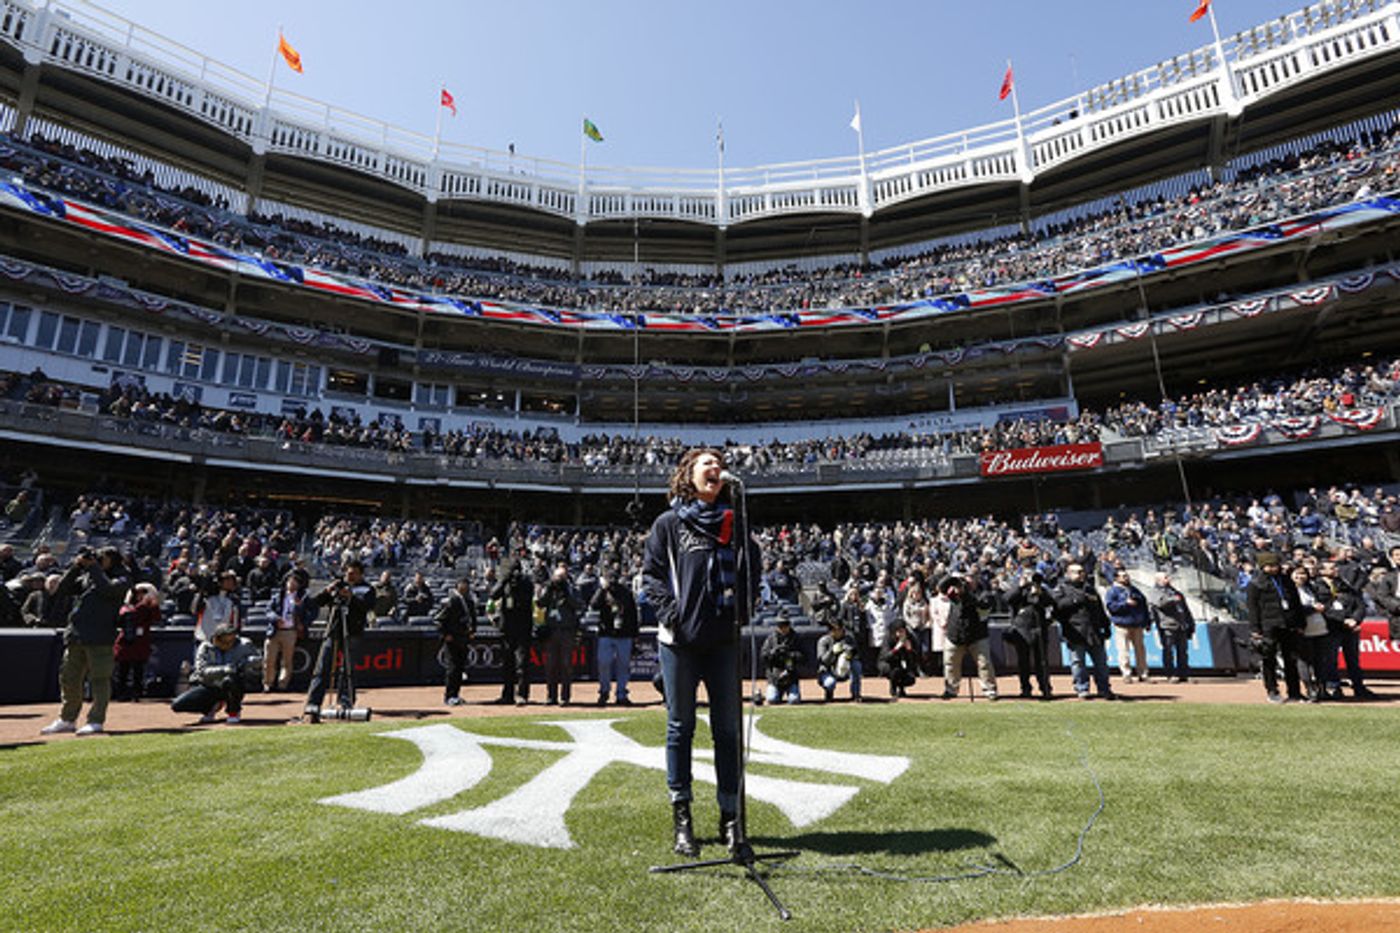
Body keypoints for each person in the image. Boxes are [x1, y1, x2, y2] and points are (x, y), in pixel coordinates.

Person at [642, 448, 758, 859]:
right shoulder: (668, 523)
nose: (715, 468)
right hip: (680, 642)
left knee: (727, 730)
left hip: (723, 641)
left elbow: (752, 571)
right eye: (705, 463)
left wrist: (743, 612)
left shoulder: (734, 522)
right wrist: (673, 615)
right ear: (687, 475)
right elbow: (651, 576)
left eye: (718, 463)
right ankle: (682, 819)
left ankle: (731, 818)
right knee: (681, 726)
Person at [41, 547, 129, 736]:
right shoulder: (89, 576)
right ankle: (67, 719)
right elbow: (62, 589)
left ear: (113, 560)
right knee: (69, 678)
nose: (97, 560)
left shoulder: (122, 577)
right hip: (77, 635)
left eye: (101, 558)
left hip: (100, 637)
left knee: (99, 679)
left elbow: (108, 590)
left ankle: (96, 720)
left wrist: (94, 568)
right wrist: (76, 567)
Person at [302, 559, 373, 723]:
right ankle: (312, 705)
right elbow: (315, 603)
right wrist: (327, 591)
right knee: (322, 667)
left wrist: (352, 597)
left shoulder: (367, 589)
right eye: (348, 572)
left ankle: (345, 702)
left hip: (353, 632)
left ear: (360, 574)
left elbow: (367, 607)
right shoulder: (337, 586)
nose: (350, 576)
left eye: (354, 573)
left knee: (347, 670)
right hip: (333, 630)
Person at [171, 622, 260, 724]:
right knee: (177, 705)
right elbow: (202, 671)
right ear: (217, 638)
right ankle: (211, 707)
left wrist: (246, 663)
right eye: (225, 640)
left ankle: (233, 711)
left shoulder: (244, 644)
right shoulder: (206, 647)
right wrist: (224, 669)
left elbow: (258, 661)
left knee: (230, 680)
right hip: (210, 685)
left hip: (234, 684)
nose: (229, 644)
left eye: (232, 639)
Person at [1246, 552, 1304, 704]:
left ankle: (1295, 692)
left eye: (1275, 565)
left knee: (1291, 659)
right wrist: (1255, 629)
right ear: (1262, 566)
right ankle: (1272, 690)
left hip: (1288, 624)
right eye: (1269, 566)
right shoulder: (1255, 584)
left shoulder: (1286, 581)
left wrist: (1300, 623)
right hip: (1268, 625)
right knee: (1268, 659)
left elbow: (1296, 603)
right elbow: (1253, 608)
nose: (1273, 568)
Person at [1053, 563, 1116, 701]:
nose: (1082, 574)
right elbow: (1057, 607)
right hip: (1075, 631)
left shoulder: (1090, 589)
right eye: (1078, 572)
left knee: (1101, 663)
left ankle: (1104, 689)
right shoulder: (1062, 589)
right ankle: (1082, 689)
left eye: (1082, 571)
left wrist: (1106, 627)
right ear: (1069, 573)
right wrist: (1076, 600)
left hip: (1094, 632)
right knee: (1078, 662)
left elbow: (1100, 609)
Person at [1318, 561, 1374, 700]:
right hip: (1331, 628)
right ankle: (1334, 687)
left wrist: (1355, 619)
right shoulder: (1317, 587)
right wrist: (1343, 620)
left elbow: (1359, 604)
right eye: (1331, 568)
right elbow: (1324, 609)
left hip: (1350, 629)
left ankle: (1359, 687)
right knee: (1331, 660)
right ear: (1321, 571)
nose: (1335, 570)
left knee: (1353, 659)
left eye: (1335, 567)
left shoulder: (1344, 584)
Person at [935, 575, 997, 701]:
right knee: (950, 664)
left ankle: (989, 689)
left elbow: (983, 605)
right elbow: (941, 587)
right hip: (955, 635)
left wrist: (965, 593)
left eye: (969, 581)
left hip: (977, 635)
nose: (965, 584)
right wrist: (952, 579)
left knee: (984, 663)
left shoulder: (983, 593)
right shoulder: (954, 594)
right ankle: (951, 689)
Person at [591, 565, 639, 706]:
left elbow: (633, 614)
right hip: (606, 633)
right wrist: (602, 589)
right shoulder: (603, 592)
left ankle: (621, 693)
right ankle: (604, 691)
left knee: (623, 666)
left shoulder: (625, 592)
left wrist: (635, 635)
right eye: (609, 579)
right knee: (604, 663)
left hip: (624, 634)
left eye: (614, 579)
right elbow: (593, 605)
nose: (612, 582)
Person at [490, 558, 534, 706]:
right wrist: (503, 580)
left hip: (522, 628)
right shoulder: (505, 583)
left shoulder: (526, 582)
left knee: (521, 664)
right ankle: (507, 695)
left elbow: (526, 599)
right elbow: (493, 595)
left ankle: (522, 694)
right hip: (507, 629)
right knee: (507, 664)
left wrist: (517, 582)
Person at [1004, 569, 1053, 699]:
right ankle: (1025, 688)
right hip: (1022, 630)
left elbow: (1051, 602)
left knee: (1042, 661)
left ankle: (1045, 688)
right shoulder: (1019, 590)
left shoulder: (1041, 590)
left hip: (1039, 629)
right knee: (1023, 662)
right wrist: (1020, 587)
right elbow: (1007, 599)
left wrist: (1040, 593)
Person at [535, 562, 580, 705]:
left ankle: (565, 697)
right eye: (557, 577)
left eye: (562, 577)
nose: (559, 581)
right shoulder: (550, 589)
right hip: (551, 631)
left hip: (566, 631)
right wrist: (548, 589)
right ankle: (551, 696)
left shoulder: (572, 589)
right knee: (550, 665)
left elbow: (579, 605)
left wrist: (567, 594)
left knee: (566, 665)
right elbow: (540, 603)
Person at [112, 582, 160, 701]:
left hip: (140, 644)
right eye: (138, 593)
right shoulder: (127, 608)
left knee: (138, 671)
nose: (141, 596)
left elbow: (157, 618)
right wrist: (143, 604)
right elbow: (130, 615)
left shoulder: (150, 608)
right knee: (123, 670)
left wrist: (153, 604)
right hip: (126, 643)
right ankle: (121, 694)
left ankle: (137, 694)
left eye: (144, 593)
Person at [435, 576, 478, 706]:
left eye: (466, 585)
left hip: (463, 639)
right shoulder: (451, 601)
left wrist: (473, 631)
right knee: (452, 668)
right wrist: (445, 634)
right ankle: (449, 696)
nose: (465, 587)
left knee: (460, 668)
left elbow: (473, 618)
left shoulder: (469, 601)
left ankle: (456, 694)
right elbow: (438, 620)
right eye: (462, 585)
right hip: (452, 639)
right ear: (457, 586)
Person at [263, 573, 309, 692]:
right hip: (274, 630)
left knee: (287, 660)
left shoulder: (303, 597)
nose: (292, 583)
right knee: (269, 659)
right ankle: (268, 683)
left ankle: (282, 684)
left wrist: (302, 623)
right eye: (290, 581)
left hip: (290, 631)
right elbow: (268, 610)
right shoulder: (278, 596)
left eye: (295, 582)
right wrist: (275, 619)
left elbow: (310, 612)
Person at [1104, 569, 1151, 683]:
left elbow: (1144, 606)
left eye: (1127, 576)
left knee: (1140, 650)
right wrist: (1125, 604)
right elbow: (1111, 607)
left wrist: (1147, 621)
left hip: (1137, 624)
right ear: (1116, 578)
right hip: (1122, 624)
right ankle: (1126, 674)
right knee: (1123, 650)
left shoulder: (1135, 590)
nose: (1126, 578)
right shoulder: (1112, 591)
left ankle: (1143, 673)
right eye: (1123, 576)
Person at [1149, 573, 1195, 684]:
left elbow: (1186, 609)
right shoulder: (1155, 592)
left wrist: (1191, 623)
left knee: (1183, 651)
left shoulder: (1176, 592)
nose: (1168, 579)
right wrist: (1172, 599)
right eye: (1165, 578)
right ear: (1158, 580)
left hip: (1181, 625)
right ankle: (1170, 674)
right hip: (1167, 625)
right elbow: (1159, 603)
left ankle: (1183, 674)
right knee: (1168, 651)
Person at [816, 617, 863, 702]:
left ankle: (856, 694)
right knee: (830, 683)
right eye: (834, 630)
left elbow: (857, 654)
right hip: (828, 670)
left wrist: (849, 653)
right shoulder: (824, 641)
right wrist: (832, 651)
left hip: (845, 668)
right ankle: (829, 694)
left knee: (857, 665)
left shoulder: (849, 639)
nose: (837, 632)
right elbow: (822, 660)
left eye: (839, 629)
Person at [760, 612, 803, 704]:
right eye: (780, 625)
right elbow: (763, 656)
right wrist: (774, 652)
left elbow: (804, 657)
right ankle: (777, 693)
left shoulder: (796, 638)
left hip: (791, 677)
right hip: (775, 677)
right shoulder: (771, 639)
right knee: (772, 699)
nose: (783, 628)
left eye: (785, 625)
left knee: (794, 700)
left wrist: (791, 655)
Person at [192, 569, 240, 643]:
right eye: (227, 581)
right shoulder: (206, 598)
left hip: (225, 638)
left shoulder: (233, 600)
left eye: (232, 581)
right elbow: (194, 610)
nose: (230, 583)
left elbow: (236, 621)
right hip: (204, 636)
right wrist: (202, 590)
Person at [878, 619, 919, 699]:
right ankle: (893, 687)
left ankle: (901, 688)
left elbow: (915, 659)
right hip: (889, 665)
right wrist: (896, 649)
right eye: (899, 631)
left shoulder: (910, 638)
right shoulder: (888, 638)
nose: (901, 634)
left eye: (902, 631)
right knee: (895, 672)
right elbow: (885, 657)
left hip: (903, 664)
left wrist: (910, 650)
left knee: (910, 678)